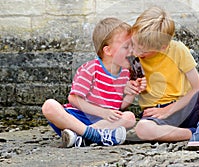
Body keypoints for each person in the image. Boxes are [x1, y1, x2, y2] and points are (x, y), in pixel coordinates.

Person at [125, 7, 199, 153]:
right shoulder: (131, 56)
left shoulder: (178, 50)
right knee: (143, 129)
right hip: (157, 117)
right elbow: (122, 86)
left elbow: (197, 87)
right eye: (135, 44)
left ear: (163, 47)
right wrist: (129, 87)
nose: (136, 52)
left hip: (186, 107)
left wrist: (169, 109)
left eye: (143, 51)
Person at [42, 18, 146, 148]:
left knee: (129, 117)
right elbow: (74, 99)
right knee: (49, 106)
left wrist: (132, 93)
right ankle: (94, 136)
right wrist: (103, 112)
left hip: (102, 122)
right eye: (126, 46)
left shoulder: (125, 73)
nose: (132, 51)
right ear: (108, 51)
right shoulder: (90, 69)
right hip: (76, 117)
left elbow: (118, 107)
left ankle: (81, 137)